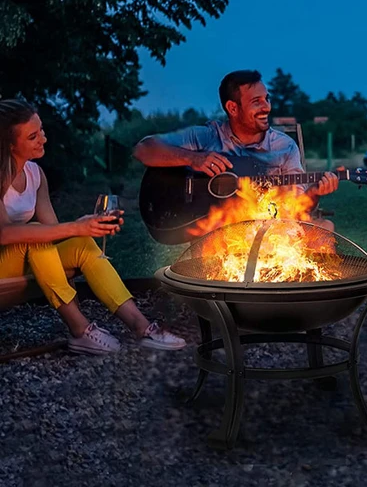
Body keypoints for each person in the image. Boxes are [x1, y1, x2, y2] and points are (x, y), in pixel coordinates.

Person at [0, 99, 186, 355]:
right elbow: (5, 233)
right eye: (32, 136)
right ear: (9, 145)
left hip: (29, 255)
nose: (42, 139)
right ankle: (80, 331)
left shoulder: (35, 175)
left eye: (41, 130)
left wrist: (87, 227)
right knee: (40, 238)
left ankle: (142, 327)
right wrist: (75, 227)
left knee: (82, 245)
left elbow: (53, 231)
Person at [133, 70, 339, 224]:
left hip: (266, 228)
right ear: (233, 108)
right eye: (256, 101)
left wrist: (315, 192)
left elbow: (295, 210)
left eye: (267, 99)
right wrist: (193, 159)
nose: (266, 106)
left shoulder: (284, 146)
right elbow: (143, 149)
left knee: (324, 227)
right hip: (216, 231)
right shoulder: (207, 137)